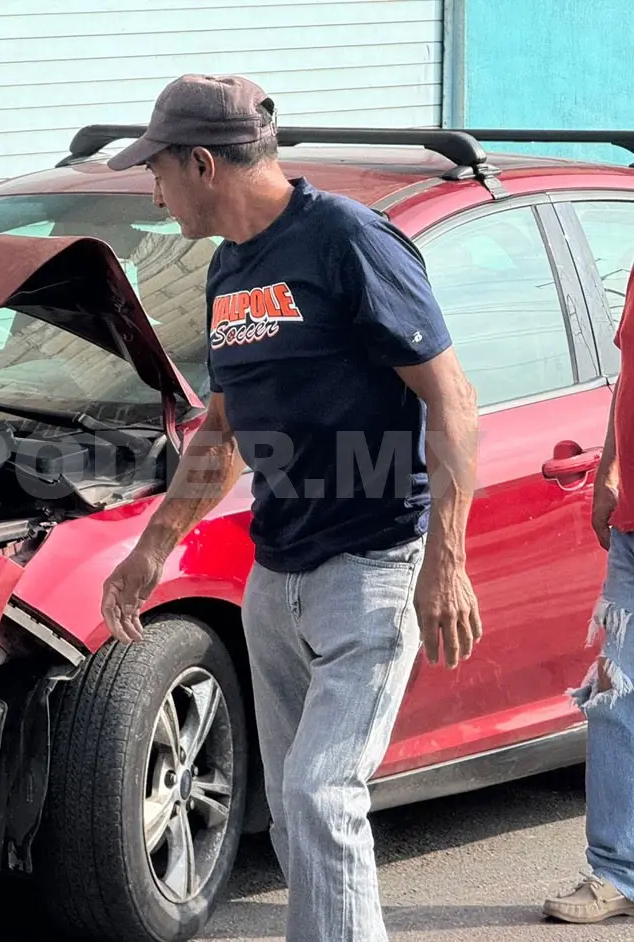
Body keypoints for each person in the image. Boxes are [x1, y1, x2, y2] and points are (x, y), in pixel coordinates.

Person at [99, 74, 482, 942]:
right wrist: (152, 549)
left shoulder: (346, 240)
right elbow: (222, 431)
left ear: (203, 164)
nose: (154, 193)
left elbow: (453, 398)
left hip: (372, 565)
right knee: (294, 807)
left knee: (321, 793)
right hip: (275, 577)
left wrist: (446, 561)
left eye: (157, 171)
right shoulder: (228, 269)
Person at [542, 265, 634, 925]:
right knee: (613, 693)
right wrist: (610, 467)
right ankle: (616, 871)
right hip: (632, 533)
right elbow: (628, 379)